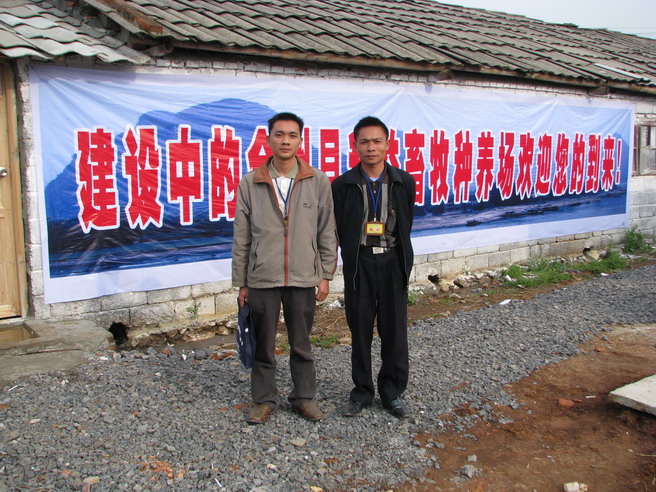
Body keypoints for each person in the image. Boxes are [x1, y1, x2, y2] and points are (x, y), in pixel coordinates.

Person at [232, 112, 337, 424]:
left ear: (301, 141)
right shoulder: (251, 182)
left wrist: (325, 274)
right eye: (279, 134)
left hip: (304, 275)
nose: (286, 141)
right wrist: (242, 282)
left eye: (292, 135)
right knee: (263, 344)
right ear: (268, 140)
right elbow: (242, 236)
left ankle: (304, 397)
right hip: (262, 276)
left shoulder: (317, 180)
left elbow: (326, 229)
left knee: (301, 344)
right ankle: (264, 399)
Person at [331, 116, 415, 418]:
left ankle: (392, 393)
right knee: (360, 329)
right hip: (360, 263)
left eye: (377, 141)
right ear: (354, 146)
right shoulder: (343, 184)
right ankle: (362, 391)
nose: (371, 147)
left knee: (395, 330)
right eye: (364, 141)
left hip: (393, 261)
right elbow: (339, 226)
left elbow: (406, 221)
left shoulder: (404, 181)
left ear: (388, 144)